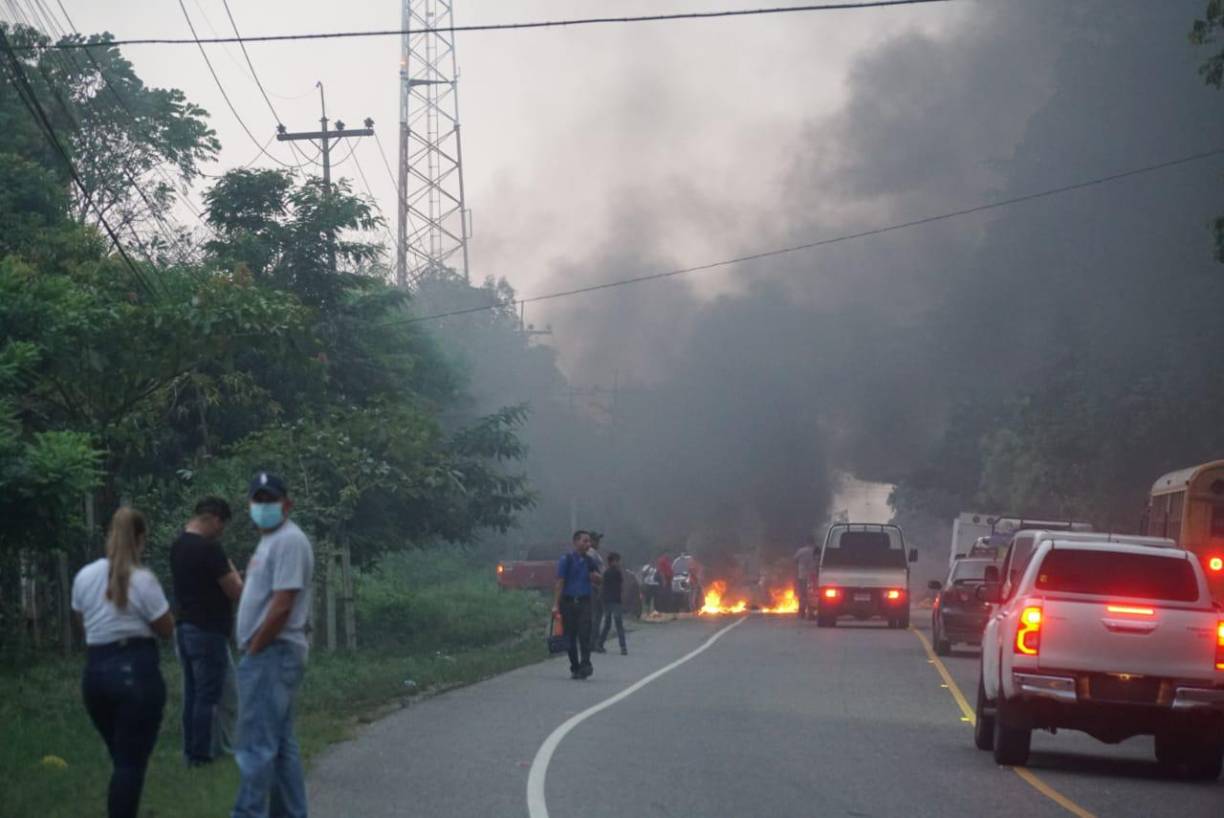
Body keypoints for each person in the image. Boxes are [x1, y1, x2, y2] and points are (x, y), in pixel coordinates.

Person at [72, 507, 175, 818]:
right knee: (131, 761)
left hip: (95, 673)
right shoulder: (143, 580)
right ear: (141, 539)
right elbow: (166, 628)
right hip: (135, 670)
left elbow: (83, 622)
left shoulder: (84, 576)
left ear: (109, 537)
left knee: (122, 757)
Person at [232, 473, 315, 818]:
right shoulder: (270, 540)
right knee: (280, 746)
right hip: (271, 652)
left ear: (287, 504)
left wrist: (255, 648)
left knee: (255, 746)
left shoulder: (289, 540)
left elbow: (282, 604)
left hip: (272, 652)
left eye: (271, 500)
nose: (264, 506)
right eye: (259, 500)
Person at [170, 496, 242, 766]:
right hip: (208, 629)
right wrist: (231, 567)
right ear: (213, 519)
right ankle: (202, 755)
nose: (221, 532)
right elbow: (235, 590)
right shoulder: (210, 549)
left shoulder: (178, 545)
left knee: (192, 694)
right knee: (210, 695)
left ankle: (190, 751)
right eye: (221, 526)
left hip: (184, 626)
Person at [552, 530, 600, 680]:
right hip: (568, 603)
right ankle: (575, 666)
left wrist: (596, 578)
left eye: (589, 541)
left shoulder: (590, 561)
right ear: (576, 542)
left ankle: (585, 664)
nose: (588, 544)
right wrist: (555, 604)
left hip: (584, 602)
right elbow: (560, 582)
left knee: (585, 634)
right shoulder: (566, 560)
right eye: (585, 541)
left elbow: (599, 579)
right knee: (570, 637)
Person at [597, 552, 628, 655]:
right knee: (618, 623)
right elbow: (620, 586)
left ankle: (600, 644)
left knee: (607, 624)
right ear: (612, 562)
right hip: (615, 601)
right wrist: (622, 597)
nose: (619, 563)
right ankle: (623, 647)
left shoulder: (606, 573)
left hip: (607, 600)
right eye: (617, 561)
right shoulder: (617, 572)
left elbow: (603, 586)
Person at [588, 531, 606, 646]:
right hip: (593, 587)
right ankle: (592, 642)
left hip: (598, 587)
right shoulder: (590, 553)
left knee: (598, 613)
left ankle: (594, 640)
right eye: (596, 540)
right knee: (595, 615)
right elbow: (591, 572)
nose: (598, 542)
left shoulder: (595, 553)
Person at [794, 536, 818, 620]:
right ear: (813, 542)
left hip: (802, 575)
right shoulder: (815, 551)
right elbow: (818, 561)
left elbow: (795, 560)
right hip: (813, 576)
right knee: (812, 594)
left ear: (806, 542)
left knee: (803, 594)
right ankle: (811, 612)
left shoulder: (801, 551)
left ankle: (802, 612)